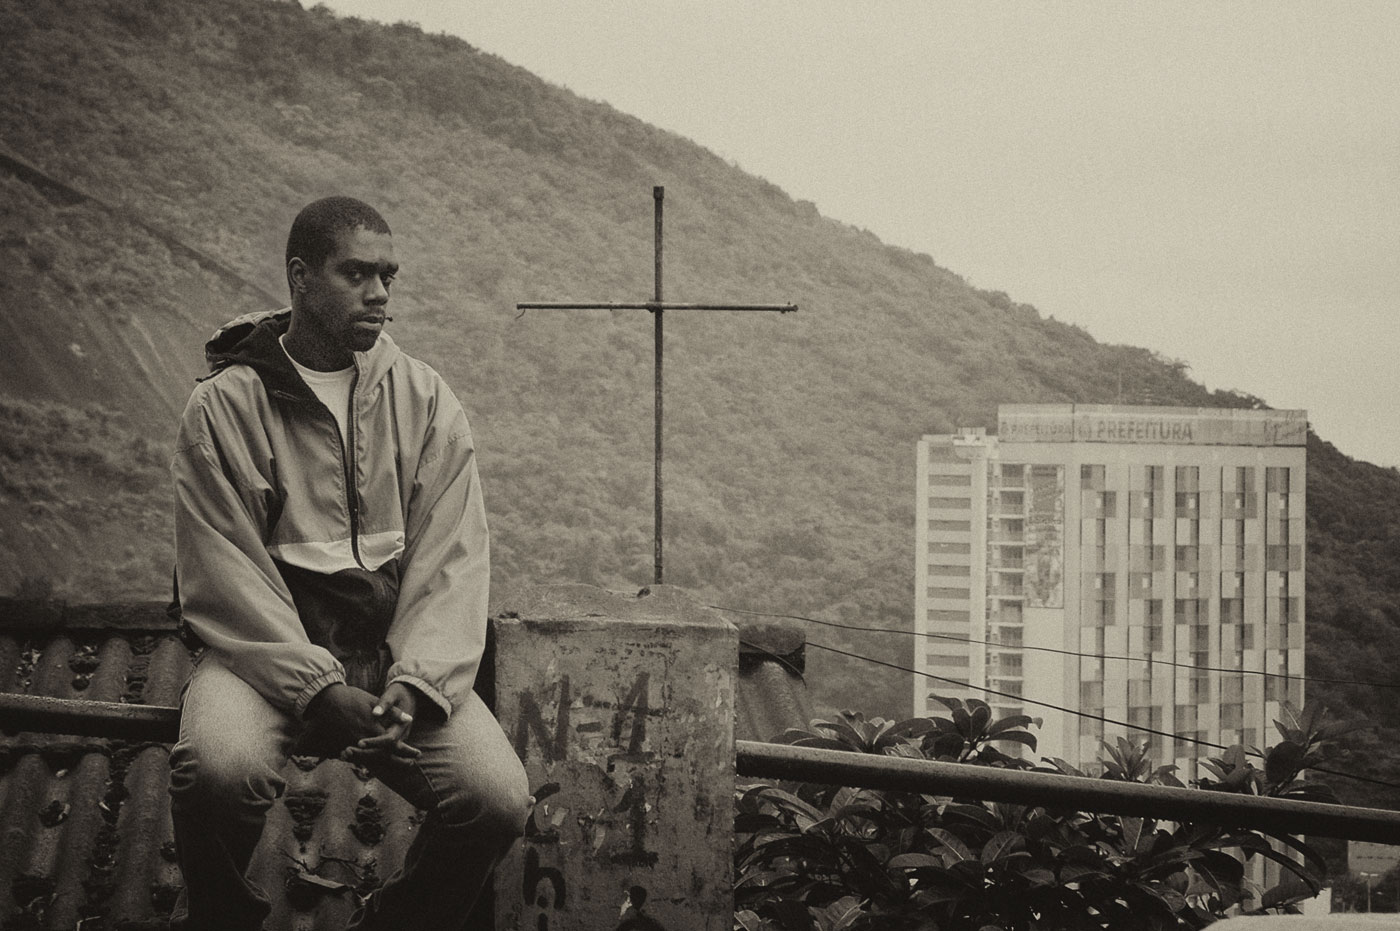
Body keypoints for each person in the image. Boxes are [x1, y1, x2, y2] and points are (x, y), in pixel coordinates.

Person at [167, 196, 529, 931]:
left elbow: (451, 556)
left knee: (496, 798)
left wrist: (418, 684)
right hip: (263, 662)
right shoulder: (225, 406)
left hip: (393, 664)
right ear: (301, 278)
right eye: (356, 273)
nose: (379, 295)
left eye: (387, 276)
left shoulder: (424, 399)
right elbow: (224, 569)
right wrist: (317, 688)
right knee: (216, 771)